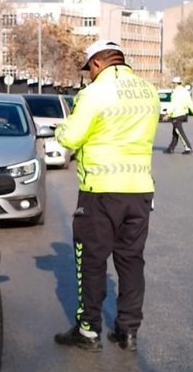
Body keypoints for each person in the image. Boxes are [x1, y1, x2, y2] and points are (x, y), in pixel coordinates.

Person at [53, 39, 160, 352]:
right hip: (140, 189)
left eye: (89, 70)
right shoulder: (148, 91)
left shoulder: (94, 93)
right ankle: (127, 331)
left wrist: (61, 129)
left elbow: (71, 137)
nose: (89, 75)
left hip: (100, 191)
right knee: (131, 262)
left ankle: (88, 331)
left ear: (97, 64)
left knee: (92, 261)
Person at [163, 76, 193, 154]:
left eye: (173, 83)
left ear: (175, 83)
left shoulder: (175, 92)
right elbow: (190, 103)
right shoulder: (185, 91)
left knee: (179, 132)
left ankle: (188, 148)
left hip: (177, 114)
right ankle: (171, 148)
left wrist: (167, 114)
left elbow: (173, 104)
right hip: (183, 114)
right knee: (175, 132)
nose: (173, 85)